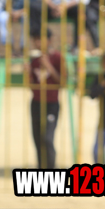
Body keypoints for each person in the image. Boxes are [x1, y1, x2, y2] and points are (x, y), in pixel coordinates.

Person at [28, 25, 63, 168]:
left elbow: (62, 82)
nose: (38, 42)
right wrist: (27, 74)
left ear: (49, 40)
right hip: (36, 103)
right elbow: (32, 86)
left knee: (47, 138)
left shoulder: (57, 58)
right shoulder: (34, 61)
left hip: (51, 104)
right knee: (37, 139)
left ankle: (51, 169)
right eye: (36, 39)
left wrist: (48, 66)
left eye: (41, 39)